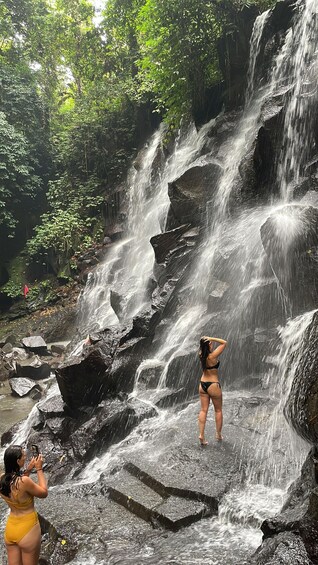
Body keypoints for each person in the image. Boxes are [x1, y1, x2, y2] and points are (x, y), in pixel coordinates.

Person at [0, 444, 48, 565]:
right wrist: (39, 469)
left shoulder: (2, 479)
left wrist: (29, 468)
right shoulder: (24, 482)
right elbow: (43, 493)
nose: (25, 458)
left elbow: (16, 484)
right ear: (17, 461)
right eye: (23, 456)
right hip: (28, 529)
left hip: (11, 529)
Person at [198, 335, 227, 445]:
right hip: (213, 385)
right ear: (209, 344)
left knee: (203, 410)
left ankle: (201, 435)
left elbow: (203, 348)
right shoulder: (213, 356)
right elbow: (224, 342)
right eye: (210, 342)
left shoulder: (201, 355)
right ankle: (218, 434)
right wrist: (212, 338)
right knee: (218, 410)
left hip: (202, 384)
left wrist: (206, 341)